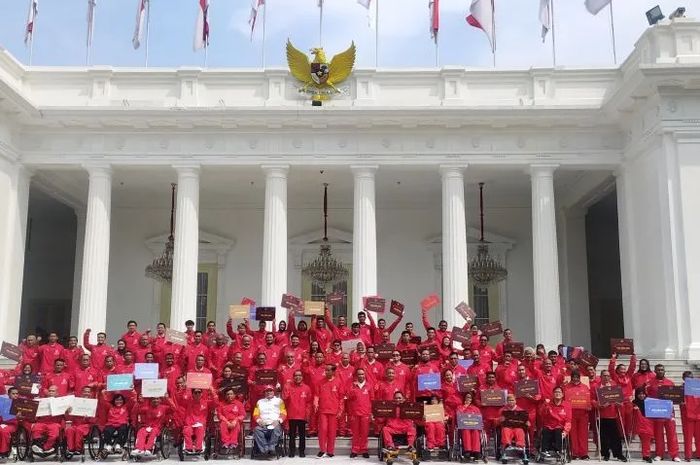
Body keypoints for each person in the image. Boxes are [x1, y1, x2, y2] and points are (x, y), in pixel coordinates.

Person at [647, 364, 681, 462]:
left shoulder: (670, 382)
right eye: (658, 370)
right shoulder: (650, 383)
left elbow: (675, 397)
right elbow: (647, 397)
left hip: (669, 412)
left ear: (664, 371)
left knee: (672, 434)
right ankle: (659, 454)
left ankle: (674, 454)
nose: (660, 371)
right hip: (657, 412)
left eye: (662, 370)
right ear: (655, 371)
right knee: (658, 434)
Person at [593, 370, 626, 462]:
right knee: (603, 437)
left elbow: (620, 399)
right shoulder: (596, 386)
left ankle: (618, 454)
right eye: (604, 376)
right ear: (601, 376)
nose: (606, 377)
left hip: (612, 415)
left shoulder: (614, 385)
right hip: (601, 415)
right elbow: (592, 400)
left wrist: (619, 403)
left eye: (608, 376)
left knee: (615, 436)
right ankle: (605, 454)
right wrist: (599, 405)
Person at [315, 364, 345, 458]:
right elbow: (316, 395)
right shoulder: (320, 382)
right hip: (323, 410)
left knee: (332, 431)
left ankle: (330, 451)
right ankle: (322, 450)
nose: (326, 372)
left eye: (328, 370)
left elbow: (341, 398)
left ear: (333, 371)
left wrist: (340, 410)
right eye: (326, 370)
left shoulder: (339, 382)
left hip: (334, 410)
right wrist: (316, 403)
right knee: (323, 430)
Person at [282, 370, 312, 458]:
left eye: (299, 375)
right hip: (292, 415)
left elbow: (309, 402)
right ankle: (292, 451)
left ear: (302, 377)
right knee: (292, 435)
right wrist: (286, 388)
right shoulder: (289, 387)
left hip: (302, 415)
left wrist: (307, 414)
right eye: (296, 375)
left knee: (302, 435)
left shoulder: (306, 388)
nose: (297, 377)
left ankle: (302, 451)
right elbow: (284, 398)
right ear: (293, 377)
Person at [564, 371, 591, 460]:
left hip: (583, 413)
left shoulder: (585, 387)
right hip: (571, 412)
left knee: (583, 433)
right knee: (573, 433)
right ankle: (574, 453)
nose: (575, 379)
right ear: (571, 378)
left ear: (579, 378)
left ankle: (583, 453)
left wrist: (589, 405)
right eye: (573, 377)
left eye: (577, 377)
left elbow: (588, 399)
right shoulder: (566, 387)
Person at [252, 386, 286, 457]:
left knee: (276, 428)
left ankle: (272, 448)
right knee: (256, 429)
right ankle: (265, 449)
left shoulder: (279, 401)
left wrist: (278, 421)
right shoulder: (259, 402)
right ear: (264, 393)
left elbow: (284, 413)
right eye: (267, 391)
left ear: (274, 392)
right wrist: (259, 421)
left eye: (270, 391)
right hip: (263, 424)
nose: (269, 392)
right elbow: (256, 413)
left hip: (274, 424)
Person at [347, 368, 373, 458]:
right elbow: (349, 398)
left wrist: (371, 413)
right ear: (356, 376)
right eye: (359, 374)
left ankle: (364, 449)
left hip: (365, 413)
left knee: (364, 433)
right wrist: (353, 389)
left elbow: (372, 400)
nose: (361, 376)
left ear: (365, 375)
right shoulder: (352, 386)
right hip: (355, 413)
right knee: (355, 433)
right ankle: (354, 450)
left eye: (362, 374)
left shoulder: (369, 386)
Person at [540, 386, 571, 456]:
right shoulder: (548, 404)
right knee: (545, 431)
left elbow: (568, 420)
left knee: (558, 432)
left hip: (560, 427)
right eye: (556, 392)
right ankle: (544, 450)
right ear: (553, 394)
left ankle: (558, 451)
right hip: (549, 426)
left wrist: (566, 431)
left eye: (559, 392)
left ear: (563, 394)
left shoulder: (567, 405)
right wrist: (545, 405)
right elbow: (542, 414)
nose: (557, 394)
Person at [216, 387, 245, 454]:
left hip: (235, 421)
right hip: (225, 421)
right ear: (225, 396)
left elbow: (242, 415)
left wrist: (236, 420)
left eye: (231, 394)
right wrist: (226, 421)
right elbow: (219, 415)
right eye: (228, 394)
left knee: (236, 425)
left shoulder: (239, 404)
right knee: (223, 424)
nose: (229, 396)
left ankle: (233, 443)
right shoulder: (221, 404)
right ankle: (225, 443)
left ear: (234, 395)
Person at [456, 391, 483, 461]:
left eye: (470, 398)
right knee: (466, 431)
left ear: (472, 399)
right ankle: (467, 451)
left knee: (476, 432)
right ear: (464, 398)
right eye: (467, 397)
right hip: (464, 426)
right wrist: (465, 407)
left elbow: (479, 418)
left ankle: (476, 451)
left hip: (474, 426)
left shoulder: (476, 408)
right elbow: (458, 416)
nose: (468, 399)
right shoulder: (460, 407)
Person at [680, 371, 699, 461]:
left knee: (699, 436)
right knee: (688, 436)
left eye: (691, 378)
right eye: (688, 378)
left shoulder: (698, 387)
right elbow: (676, 399)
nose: (690, 379)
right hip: (687, 415)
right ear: (683, 379)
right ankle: (688, 455)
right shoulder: (680, 389)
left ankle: (698, 454)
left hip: (698, 415)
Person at [632, 387, 655, 463]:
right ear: (636, 395)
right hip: (638, 424)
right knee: (645, 440)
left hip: (647, 424)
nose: (641, 395)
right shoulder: (634, 402)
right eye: (639, 394)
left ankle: (646, 455)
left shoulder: (649, 402)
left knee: (646, 440)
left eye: (643, 394)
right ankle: (645, 455)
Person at [0, 388, 19, 457]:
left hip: (12, 425)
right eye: (13, 393)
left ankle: (4, 451)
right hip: (2, 423)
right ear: (8, 394)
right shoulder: (3, 403)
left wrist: (16, 417)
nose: (15, 395)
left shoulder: (21, 404)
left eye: (17, 393)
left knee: (3, 431)